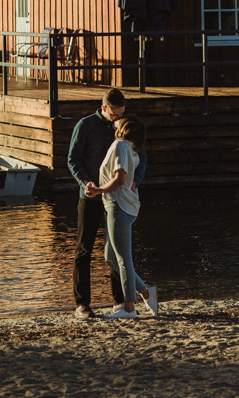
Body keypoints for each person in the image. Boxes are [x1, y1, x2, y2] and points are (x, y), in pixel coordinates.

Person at [68, 88, 146, 319]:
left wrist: (135, 181)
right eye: (114, 114)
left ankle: (120, 300)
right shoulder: (85, 126)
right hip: (91, 195)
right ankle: (82, 303)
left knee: (116, 250)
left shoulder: (125, 129)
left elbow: (141, 155)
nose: (118, 118)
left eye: (122, 113)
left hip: (117, 198)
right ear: (103, 108)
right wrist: (85, 182)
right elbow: (73, 159)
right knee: (85, 248)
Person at [87, 113, 157, 319]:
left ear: (125, 127)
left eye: (120, 120)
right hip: (117, 206)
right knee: (111, 257)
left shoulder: (121, 146)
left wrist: (99, 190)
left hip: (119, 206)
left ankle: (129, 308)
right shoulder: (129, 148)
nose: (116, 120)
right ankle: (145, 292)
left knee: (123, 259)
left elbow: (119, 178)